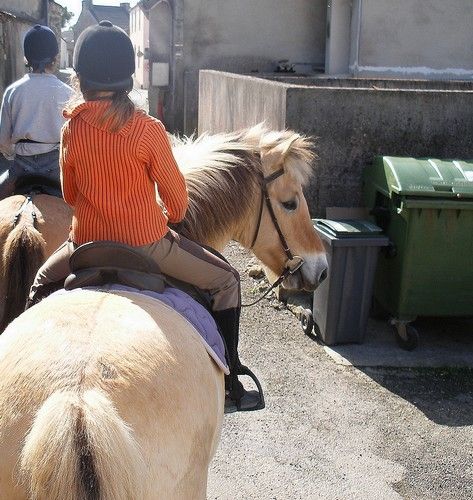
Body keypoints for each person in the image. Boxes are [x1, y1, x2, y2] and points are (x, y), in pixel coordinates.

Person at [27, 20, 264, 413]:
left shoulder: (71, 129)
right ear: (127, 77)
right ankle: (232, 382)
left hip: (84, 246)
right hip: (148, 245)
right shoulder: (148, 129)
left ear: (81, 78)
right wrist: (163, 215)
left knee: (38, 283)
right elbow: (178, 203)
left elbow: (69, 195)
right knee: (226, 280)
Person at [0, 25, 73, 198]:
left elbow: (3, 141)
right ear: (55, 58)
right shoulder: (68, 93)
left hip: (20, 169)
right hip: (57, 170)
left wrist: (13, 154)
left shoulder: (13, 91)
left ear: (27, 58)